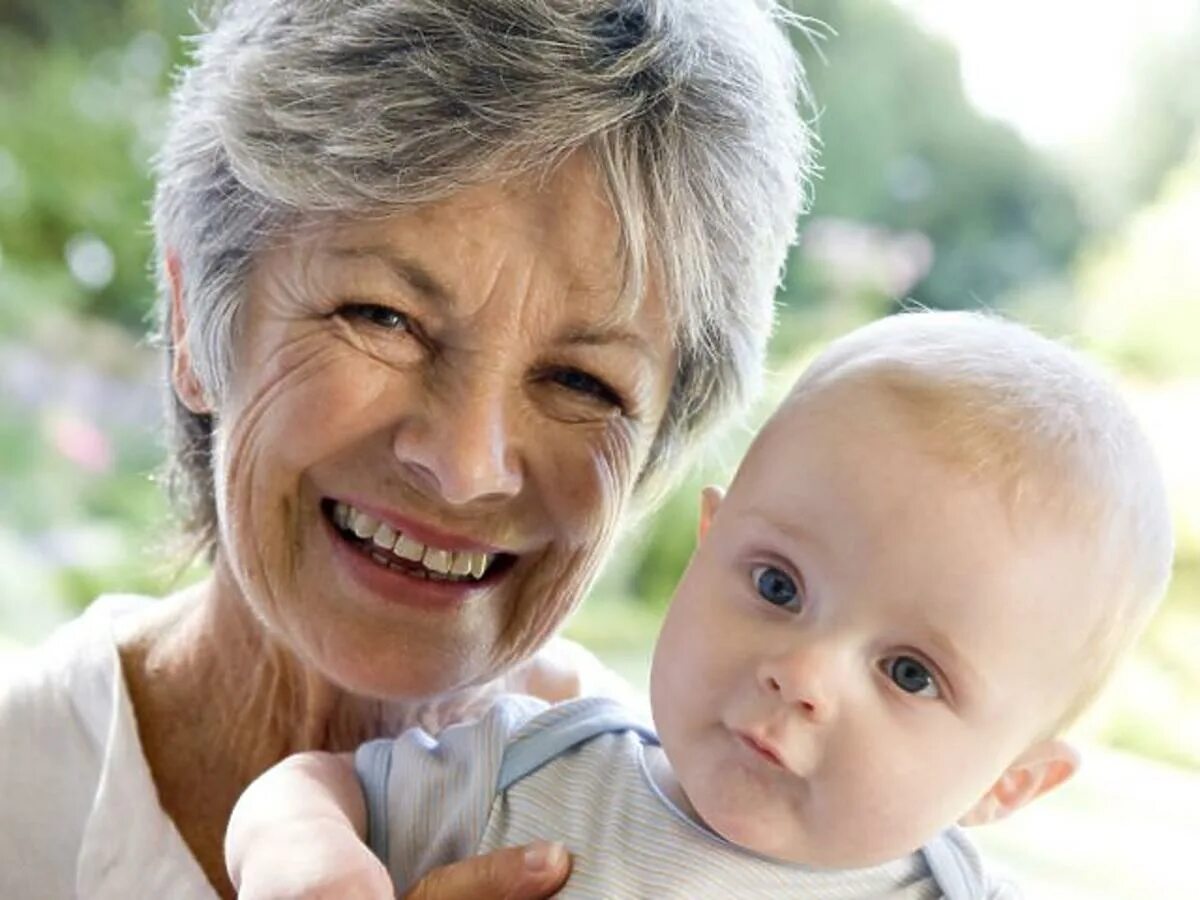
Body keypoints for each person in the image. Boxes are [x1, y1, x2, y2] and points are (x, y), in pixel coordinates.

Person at [0, 1, 815, 897]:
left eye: (583, 383)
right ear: (199, 328)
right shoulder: (20, 780)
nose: (466, 465)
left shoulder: (721, 866)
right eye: (382, 317)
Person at [226, 311, 1174, 899]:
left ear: (1007, 784)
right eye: (777, 586)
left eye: (910, 673)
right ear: (706, 546)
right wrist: (304, 855)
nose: (800, 673)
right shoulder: (537, 770)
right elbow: (318, 786)